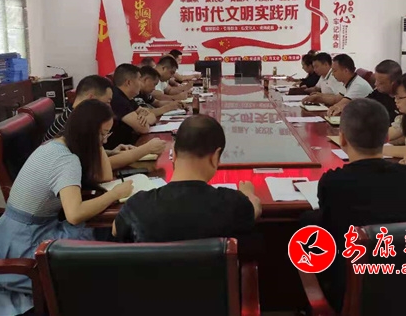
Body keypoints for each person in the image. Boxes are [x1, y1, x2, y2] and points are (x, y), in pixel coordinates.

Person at [0, 100, 134, 316]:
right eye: (103, 134)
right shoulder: (66, 160)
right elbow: (74, 214)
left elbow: (104, 176)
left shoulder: (55, 144)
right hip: (26, 245)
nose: (105, 140)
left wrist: (99, 142)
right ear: (87, 132)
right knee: (102, 243)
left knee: (101, 235)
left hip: (11, 235)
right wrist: (114, 194)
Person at [315, 99, 406, 312]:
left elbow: (329, 232)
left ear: (342, 138)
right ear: (386, 138)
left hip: (349, 292)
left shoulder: (333, 182)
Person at [113, 114, 261, 242]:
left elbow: (115, 229)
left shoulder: (138, 205)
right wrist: (247, 193)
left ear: (173, 153)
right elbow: (254, 207)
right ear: (215, 157)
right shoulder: (232, 204)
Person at [43, 75, 113, 142]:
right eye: (107, 102)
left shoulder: (73, 113)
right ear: (91, 99)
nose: (109, 107)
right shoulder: (74, 125)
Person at [105, 64, 156, 150]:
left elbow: (151, 115)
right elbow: (143, 128)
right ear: (128, 82)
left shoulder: (127, 97)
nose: (141, 84)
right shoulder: (117, 98)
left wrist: (145, 118)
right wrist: (143, 120)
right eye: (139, 79)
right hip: (118, 151)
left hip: (129, 146)